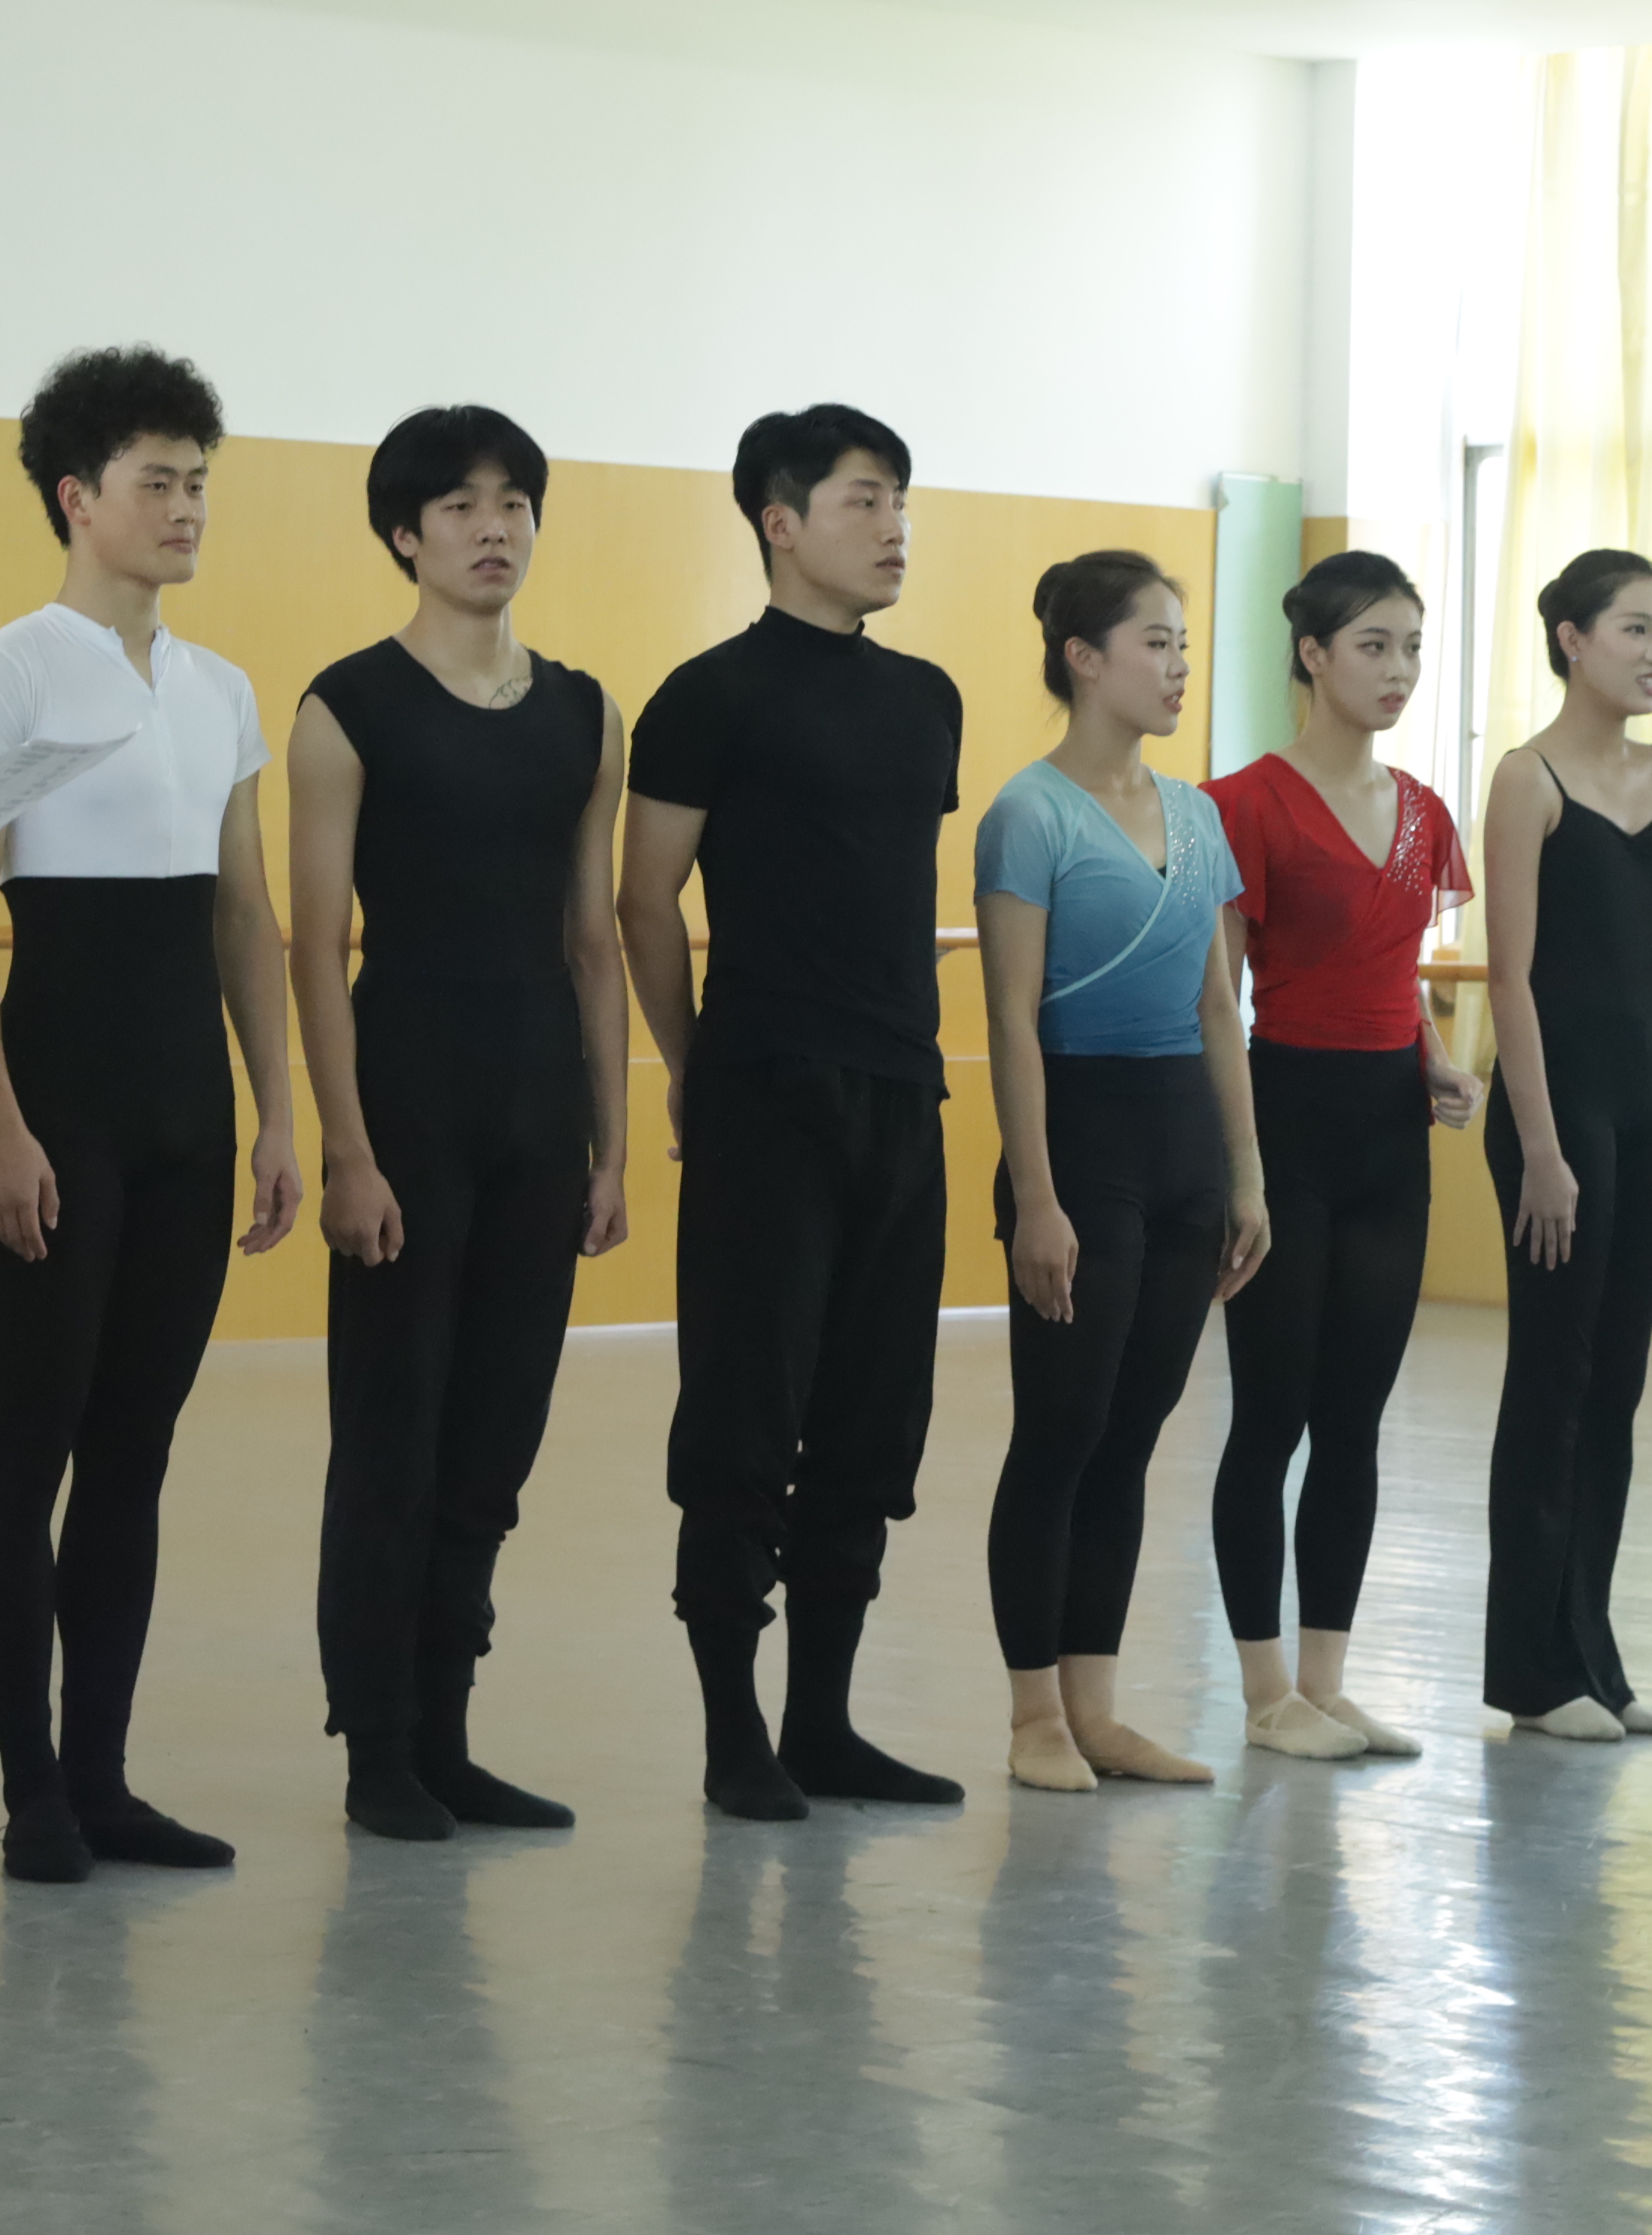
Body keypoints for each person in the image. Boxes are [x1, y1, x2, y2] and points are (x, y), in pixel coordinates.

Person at [0, 343, 304, 1883]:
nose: (188, 506)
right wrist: (0, 1128)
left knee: (134, 1455)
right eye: (160, 481)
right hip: (62, 1104)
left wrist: (280, 1116)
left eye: (201, 481)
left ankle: (104, 1778)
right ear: (78, 497)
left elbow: (245, 918)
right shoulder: (7, 673)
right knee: (30, 1451)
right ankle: (30, 1788)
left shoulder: (221, 692)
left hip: (184, 1117)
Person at [620, 403, 969, 1824]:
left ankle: (823, 1722)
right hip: (766, 1090)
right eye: (864, 501)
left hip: (902, 1090)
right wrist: (692, 1063)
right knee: (746, 1416)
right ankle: (732, 1736)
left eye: (902, 503)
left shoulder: (927, 699)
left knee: (873, 1418)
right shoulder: (709, 695)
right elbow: (645, 900)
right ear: (780, 522)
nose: (894, 529)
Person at [288, 403, 631, 1842]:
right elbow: (317, 949)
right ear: (404, 535)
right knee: (393, 1431)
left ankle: (447, 1731)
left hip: (539, 1102)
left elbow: (592, 939)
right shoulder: (347, 707)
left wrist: (613, 1146)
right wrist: (348, 1150)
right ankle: (376, 1747)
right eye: (461, 507)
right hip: (409, 1096)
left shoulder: (585, 713)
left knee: (495, 1437)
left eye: (515, 504)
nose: (495, 529)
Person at [975, 551, 1266, 1792]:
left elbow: (1216, 1009)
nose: (1179, 666)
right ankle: (1033, 1716)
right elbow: (1010, 1018)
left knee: (1133, 1434)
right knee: (1063, 1429)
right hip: (1080, 1142)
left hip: (1183, 1144)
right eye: (1156, 642)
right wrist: (1037, 1197)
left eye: (1185, 644)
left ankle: (1096, 1708)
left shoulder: (1197, 816)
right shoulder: (1028, 815)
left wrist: (1246, 1176)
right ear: (1084, 659)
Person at [1204, 551, 1484, 1762]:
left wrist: (1434, 1057)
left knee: (1355, 1419)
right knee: (1271, 1414)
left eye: (1412, 646)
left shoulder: (1423, 811)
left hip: (1388, 1128)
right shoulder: (1243, 803)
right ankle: (1265, 1692)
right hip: (1284, 1112)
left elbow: (1397, 968)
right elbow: (1217, 998)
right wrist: (1240, 1169)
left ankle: (1327, 1680)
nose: (1399, 670)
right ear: (1314, 655)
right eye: (1374, 645)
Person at [1473, 550, 1652, 1742]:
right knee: (1552, 1383)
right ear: (1571, 639)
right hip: (1558, 1111)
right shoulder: (1527, 780)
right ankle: (1535, 1673)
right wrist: (1541, 1148)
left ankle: (1595, 1658)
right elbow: (1508, 977)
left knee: (1615, 1390)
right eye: (1635, 629)